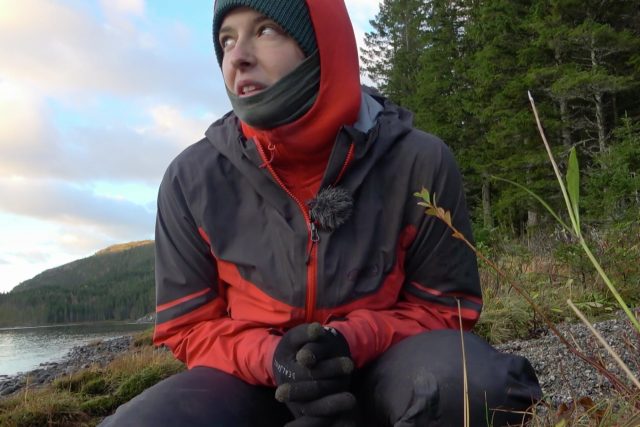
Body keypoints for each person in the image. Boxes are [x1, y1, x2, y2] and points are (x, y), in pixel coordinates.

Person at [100, 1, 542, 426]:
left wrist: (346, 342)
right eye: (226, 40)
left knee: (476, 388)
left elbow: (444, 309)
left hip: (386, 368)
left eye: (265, 30)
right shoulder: (191, 179)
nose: (238, 57)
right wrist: (274, 360)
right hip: (255, 382)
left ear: (321, 42)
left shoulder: (418, 161)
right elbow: (189, 327)